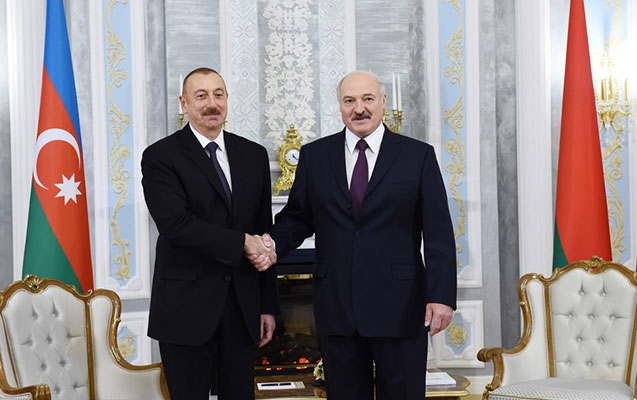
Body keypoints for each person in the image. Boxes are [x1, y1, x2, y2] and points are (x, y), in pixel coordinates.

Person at [252, 70, 457, 399]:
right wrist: (270, 244)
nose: (359, 108)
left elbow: (438, 232)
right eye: (349, 101)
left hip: (401, 306)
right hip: (337, 307)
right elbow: (298, 218)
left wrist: (442, 296)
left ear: (383, 102)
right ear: (340, 106)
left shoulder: (417, 156)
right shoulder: (315, 156)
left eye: (367, 99)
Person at [141, 67, 279, 399]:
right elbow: (176, 225)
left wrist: (267, 305)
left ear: (227, 99)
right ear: (184, 103)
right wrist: (242, 242)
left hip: (242, 308)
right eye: (201, 96)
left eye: (218, 95)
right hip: (185, 309)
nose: (211, 104)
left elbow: (264, 233)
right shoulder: (160, 156)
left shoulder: (253, 155)